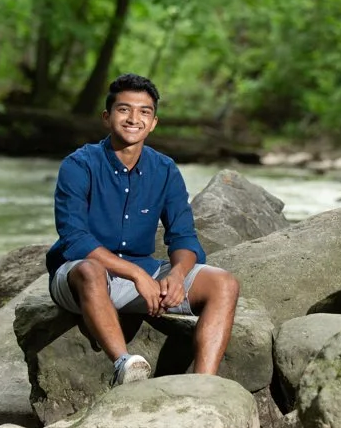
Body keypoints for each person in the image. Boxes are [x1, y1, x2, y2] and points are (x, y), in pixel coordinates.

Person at [45, 73, 240, 384]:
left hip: (144, 274)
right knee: (90, 270)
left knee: (224, 283)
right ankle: (124, 365)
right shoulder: (79, 164)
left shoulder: (165, 169)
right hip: (81, 278)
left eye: (144, 112)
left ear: (153, 123)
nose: (133, 119)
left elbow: (184, 237)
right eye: (124, 109)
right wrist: (136, 275)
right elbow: (75, 239)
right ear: (107, 117)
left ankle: (204, 385)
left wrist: (177, 275)